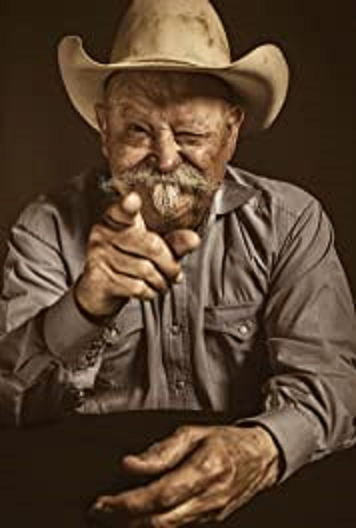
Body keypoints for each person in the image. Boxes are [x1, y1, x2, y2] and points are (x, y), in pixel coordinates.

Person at [0, 0, 355, 525]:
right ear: (104, 127)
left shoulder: (291, 222)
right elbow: (8, 402)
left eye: (190, 136)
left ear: (231, 131)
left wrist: (259, 449)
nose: (165, 160)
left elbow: (333, 386)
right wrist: (86, 308)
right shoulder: (46, 226)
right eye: (138, 131)